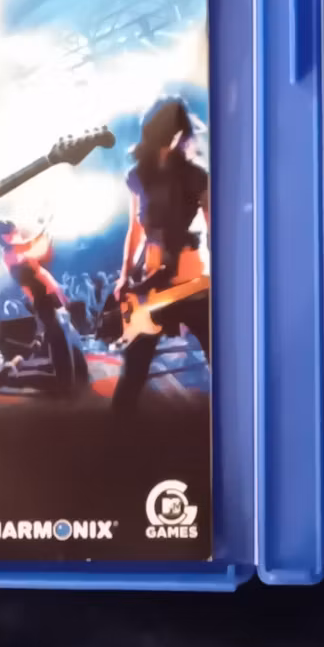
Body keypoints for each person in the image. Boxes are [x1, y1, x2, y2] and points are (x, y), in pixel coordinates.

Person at [112, 98, 209, 413]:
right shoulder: (138, 176)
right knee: (134, 369)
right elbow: (134, 231)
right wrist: (124, 276)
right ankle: (116, 433)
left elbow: (215, 228)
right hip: (154, 283)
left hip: (188, 280)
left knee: (220, 357)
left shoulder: (195, 176)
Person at [0, 217, 87, 393]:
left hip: (49, 299)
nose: (17, 232)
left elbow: (40, 259)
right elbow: (34, 246)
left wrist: (60, 295)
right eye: (13, 230)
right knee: (61, 348)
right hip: (44, 302)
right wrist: (44, 226)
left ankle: (22, 370)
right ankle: (9, 379)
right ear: (5, 237)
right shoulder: (11, 253)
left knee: (70, 347)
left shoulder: (18, 251)